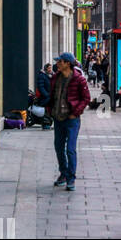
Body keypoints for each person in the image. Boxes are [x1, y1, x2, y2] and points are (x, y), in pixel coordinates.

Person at [45, 52, 91, 192]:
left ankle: (71, 178)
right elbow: (51, 96)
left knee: (70, 149)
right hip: (58, 119)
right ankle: (63, 174)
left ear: (67, 63)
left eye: (60, 61)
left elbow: (86, 98)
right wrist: (49, 110)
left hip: (71, 120)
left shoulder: (78, 79)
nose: (57, 64)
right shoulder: (55, 77)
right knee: (59, 147)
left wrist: (75, 113)